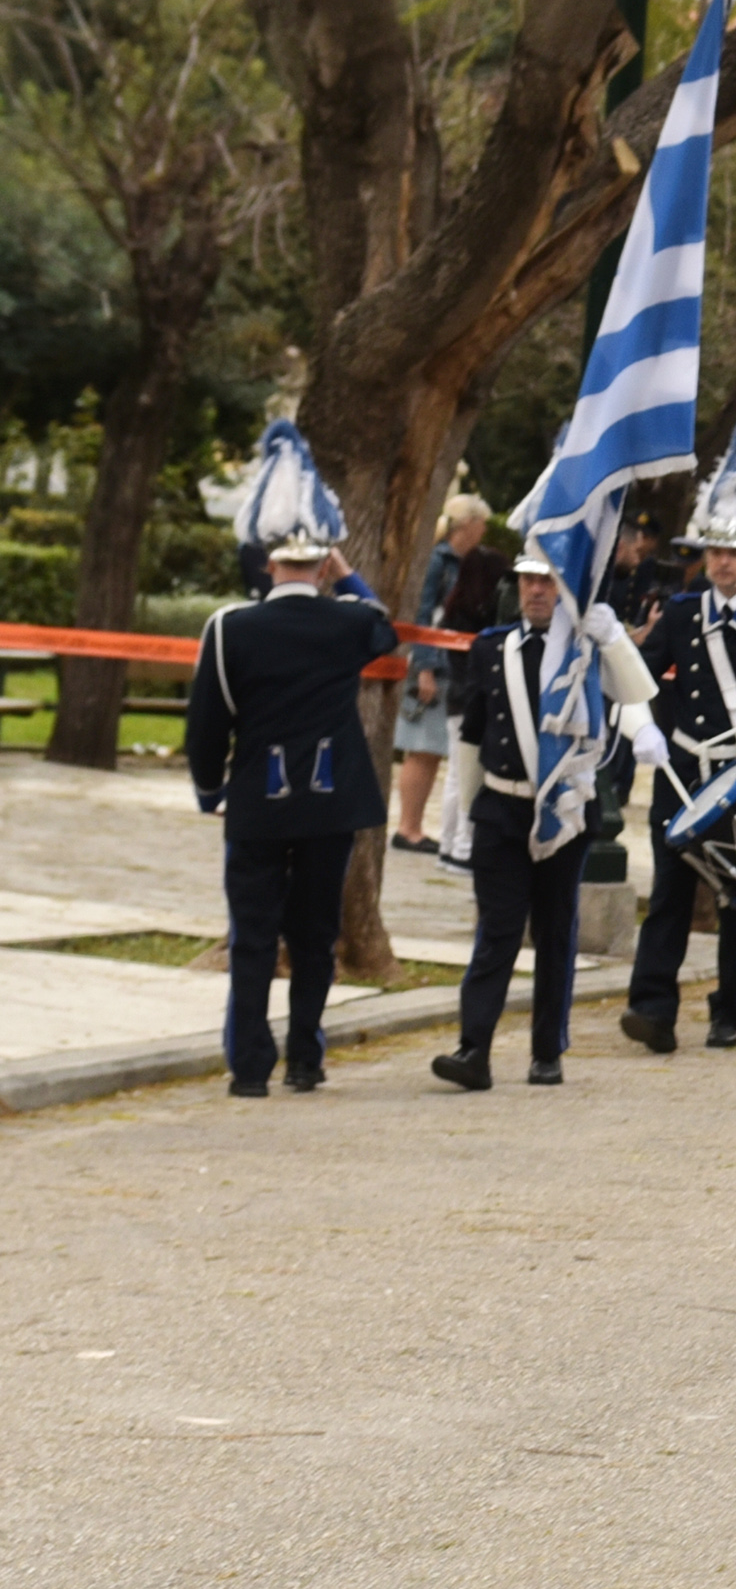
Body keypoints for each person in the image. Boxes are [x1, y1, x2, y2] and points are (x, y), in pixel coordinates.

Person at [184, 423, 399, 1097]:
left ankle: (249, 1065)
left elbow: (207, 720)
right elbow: (382, 621)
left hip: (257, 797)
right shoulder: (345, 621)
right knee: (315, 932)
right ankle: (306, 1054)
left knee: (252, 936)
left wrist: (209, 785)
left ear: (267, 558)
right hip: (330, 799)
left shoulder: (229, 626)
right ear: (322, 559)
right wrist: (346, 571)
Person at [617, 425, 736, 1054]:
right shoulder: (679, 612)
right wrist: (642, 729)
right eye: (715, 552)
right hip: (684, 770)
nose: (723, 563)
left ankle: (728, 1007)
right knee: (670, 893)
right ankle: (652, 1008)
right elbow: (640, 684)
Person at [435, 540, 595, 1090]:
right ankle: (473, 1047)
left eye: (548, 580)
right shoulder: (490, 648)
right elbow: (473, 733)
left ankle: (547, 1049)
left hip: (562, 813)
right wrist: (462, 818)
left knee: (554, 931)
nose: (536, 590)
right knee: (497, 931)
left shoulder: (584, 650)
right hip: (502, 807)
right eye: (528, 579)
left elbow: (620, 710)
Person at [389, 492, 504, 853]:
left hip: (450, 667)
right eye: (481, 523)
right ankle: (408, 827)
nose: (484, 530)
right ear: (468, 525)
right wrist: (423, 667)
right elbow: (423, 615)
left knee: (433, 750)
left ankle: (416, 825)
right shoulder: (438, 561)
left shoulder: (461, 561)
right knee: (421, 748)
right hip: (433, 666)